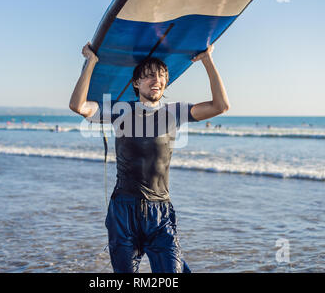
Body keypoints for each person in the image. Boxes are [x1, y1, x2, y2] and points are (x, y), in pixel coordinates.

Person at [69, 42, 230, 273]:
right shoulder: (119, 110)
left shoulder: (175, 112)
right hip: (124, 211)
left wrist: (207, 60)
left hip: (160, 212)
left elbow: (221, 106)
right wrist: (91, 62)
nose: (157, 79)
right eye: (149, 75)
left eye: (162, 75)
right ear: (136, 82)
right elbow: (78, 105)